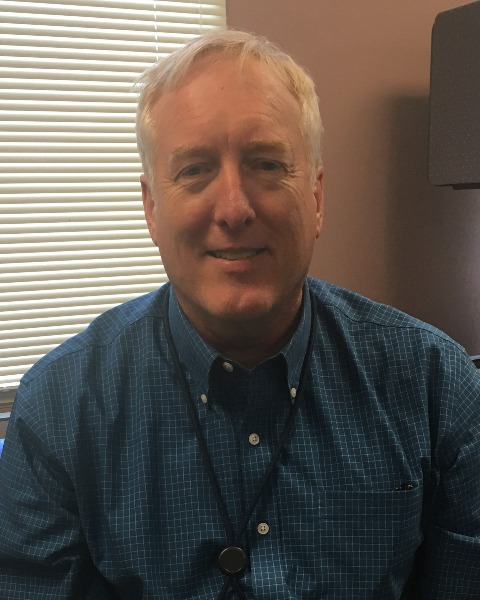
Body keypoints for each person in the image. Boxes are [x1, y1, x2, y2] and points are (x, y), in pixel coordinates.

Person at [0, 29, 479, 600]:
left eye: (267, 164)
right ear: (151, 208)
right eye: (194, 170)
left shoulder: (435, 387)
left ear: (316, 197)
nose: (233, 208)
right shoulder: (59, 409)